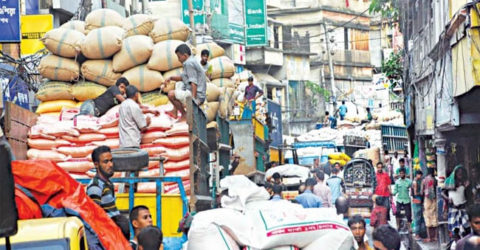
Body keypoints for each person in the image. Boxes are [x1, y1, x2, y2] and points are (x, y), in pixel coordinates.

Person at [164, 44, 207, 121]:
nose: (178, 59)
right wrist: (170, 78)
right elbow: (183, 78)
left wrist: (193, 101)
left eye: (179, 57)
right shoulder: (191, 61)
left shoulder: (189, 63)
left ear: (185, 55)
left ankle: (184, 115)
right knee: (178, 84)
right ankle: (175, 111)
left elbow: (193, 82)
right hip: (195, 92)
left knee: (171, 94)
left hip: (198, 96)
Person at [87, 146, 120, 218]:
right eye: (106, 162)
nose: (110, 165)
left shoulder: (108, 183)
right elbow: (94, 216)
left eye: (111, 160)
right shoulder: (95, 186)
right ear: (96, 164)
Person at [443, 165, 471, 239]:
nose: (460, 174)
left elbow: (468, 195)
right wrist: (448, 198)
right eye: (458, 173)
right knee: (455, 230)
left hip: (463, 208)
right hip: (453, 208)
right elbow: (442, 193)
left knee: (467, 228)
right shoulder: (449, 181)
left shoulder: (465, 182)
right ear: (455, 173)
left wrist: (466, 187)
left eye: (461, 173)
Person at [422, 167, 438, 242]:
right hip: (434, 198)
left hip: (427, 199)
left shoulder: (424, 180)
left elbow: (422, 191)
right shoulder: (435, 180)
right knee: (434, 216)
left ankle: (429, 237)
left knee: (427, 217)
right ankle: (435, 236)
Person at [411, 170, 424, 240]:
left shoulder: (416, 181)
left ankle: (418, 233)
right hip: (417, 199)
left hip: (416, 200)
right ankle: (417, 235)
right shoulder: (415, 182)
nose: (421, 177)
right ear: (417, 175)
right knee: (418, 218)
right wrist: (421, 192)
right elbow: (416, 193)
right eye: (420, 175)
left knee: (418, 217)